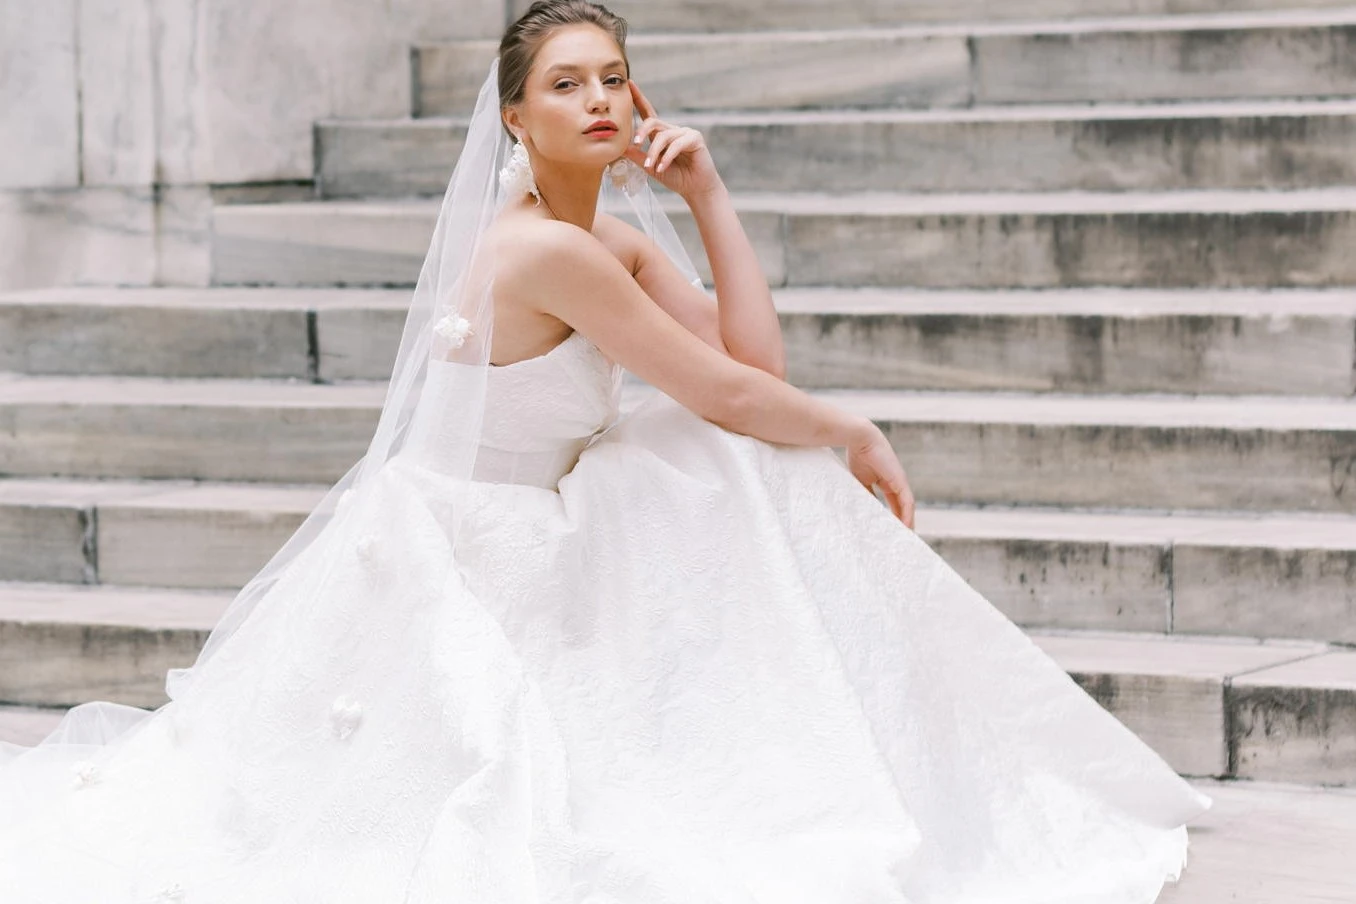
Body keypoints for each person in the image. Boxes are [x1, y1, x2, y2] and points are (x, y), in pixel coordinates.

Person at [0, 1, 1212, 900]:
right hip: (470, 555)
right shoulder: (547, 252)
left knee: (724, 453)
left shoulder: (603, 241)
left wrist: (712, 200)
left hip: (525, 522)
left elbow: (753, 371)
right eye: (566, 84)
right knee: (735, 451)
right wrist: (856, 428)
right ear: (514, 117)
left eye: (617, 80)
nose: (599, 101)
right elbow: (739, 393)